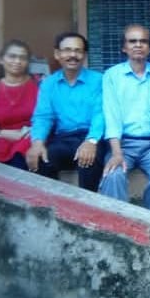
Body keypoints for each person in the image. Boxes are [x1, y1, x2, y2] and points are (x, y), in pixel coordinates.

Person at [99, 25, 150, 212]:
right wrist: (117, 153)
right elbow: (111, 115)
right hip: (123, 144)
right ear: (124, 47)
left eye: (143, 41)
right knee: (113, 176)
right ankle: (116, 223)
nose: (138, 45)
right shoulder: (112, 76)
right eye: (132, 41)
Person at [26, 32, 106, 191]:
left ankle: (87, 205)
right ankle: (52, 205)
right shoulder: (49, 84)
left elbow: (101, 113)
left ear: (84, 55)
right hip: (63, 139)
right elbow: (43, 117)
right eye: (67, 50)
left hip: (92, 136)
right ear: (57, 54)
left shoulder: (99, 80)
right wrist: (37, 142)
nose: (73, 55)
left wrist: (91, 141)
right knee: (42, 160)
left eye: (78, 50)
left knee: (89, 161)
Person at [0, 39, 39, 169]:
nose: (17, 61)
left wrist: (31, 132)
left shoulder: (39, 86)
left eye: (22, 57)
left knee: (21, 156)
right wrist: (4, 134)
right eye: (12, 56)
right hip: (2, 136)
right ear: (1, 60)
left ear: (28, 62)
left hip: (32, 136)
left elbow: (49, 118)